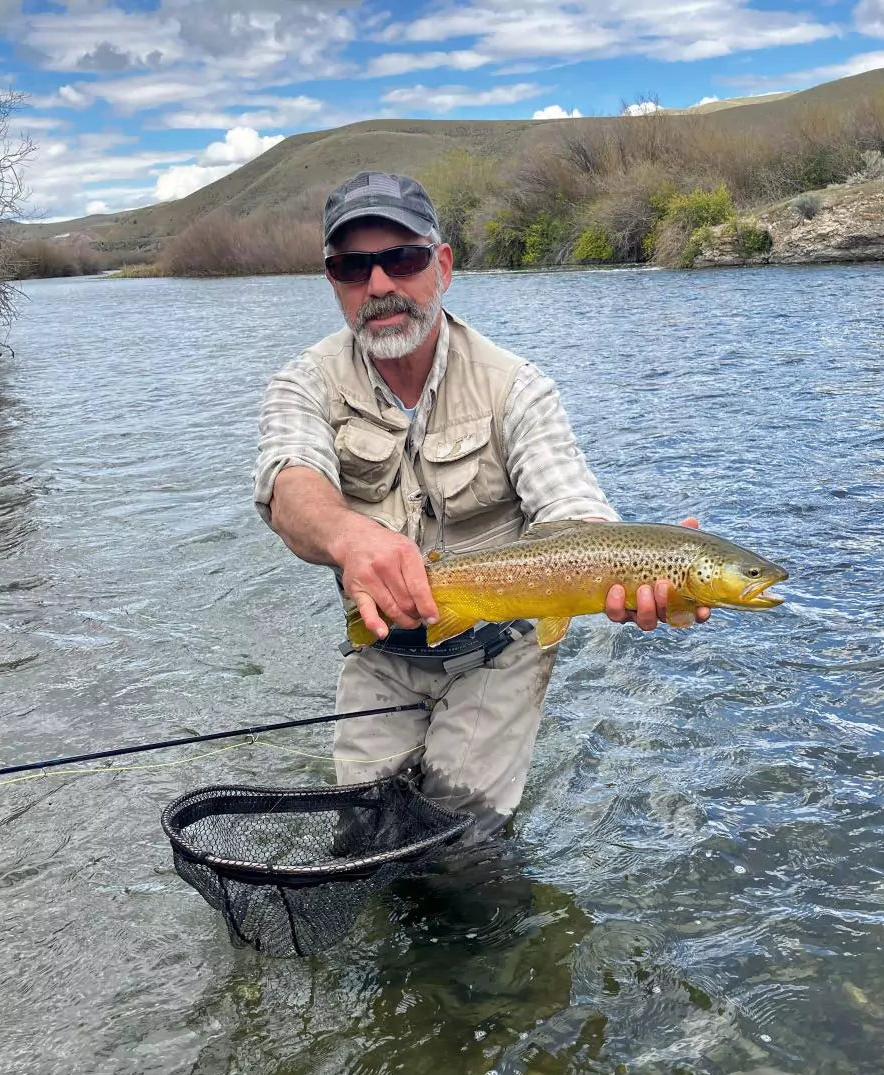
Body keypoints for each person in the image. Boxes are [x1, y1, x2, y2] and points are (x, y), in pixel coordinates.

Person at [253, 170, 708, 841]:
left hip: (500, 652)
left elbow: (569, 502)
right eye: (354, 267)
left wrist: (632, 563)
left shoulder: (516, 386)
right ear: (334, 284)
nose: (380, 285)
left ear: (441, 266)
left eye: (402, 260)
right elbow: (289, 483)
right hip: (381, 649)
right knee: (364, 834)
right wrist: (348, 537)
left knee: (463, 847)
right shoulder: (304, 383)